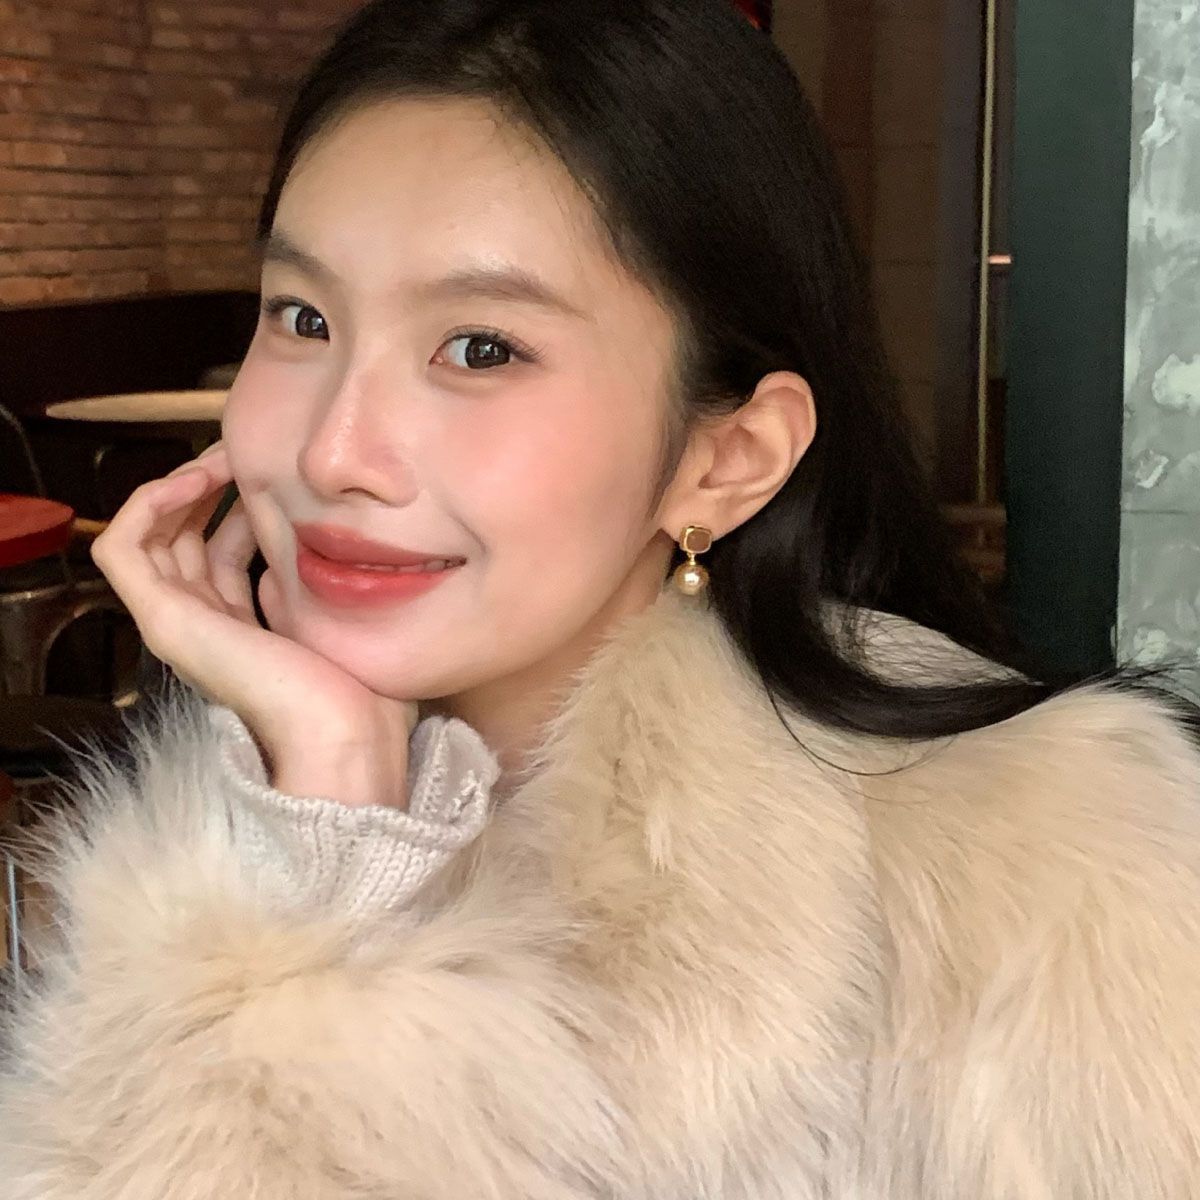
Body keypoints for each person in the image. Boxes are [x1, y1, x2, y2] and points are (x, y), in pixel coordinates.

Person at [4, 1, 1200, 1195]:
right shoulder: (188, 849)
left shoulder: (1057, 885)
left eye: (482, 347)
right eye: (302, 317)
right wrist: (323, 849)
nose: (331, 453)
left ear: (725, 460)